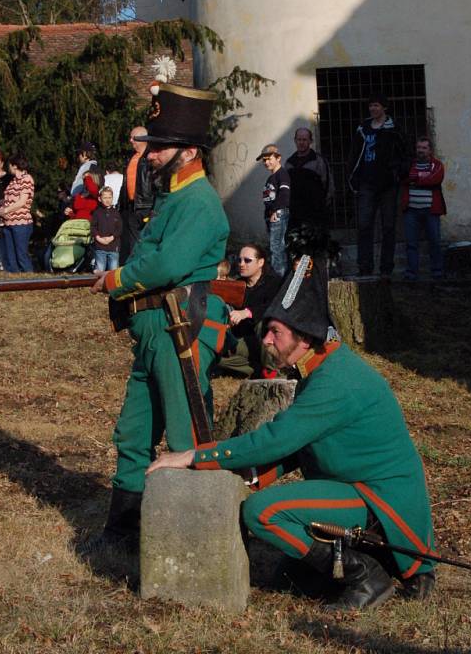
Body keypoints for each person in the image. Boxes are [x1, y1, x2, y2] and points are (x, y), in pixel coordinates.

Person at [147, 250, 435, 611]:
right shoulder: (323, 368)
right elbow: (303, 448)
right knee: (289, 575)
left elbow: (276, 440)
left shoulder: (335, 381)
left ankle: (366, 577)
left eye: (275, 332)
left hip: (381, 504)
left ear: (306, 337)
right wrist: (251, 475)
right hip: (359, 490)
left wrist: (195, 456)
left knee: (264, 513)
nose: (266, 341)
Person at [86, 82, 230, 555]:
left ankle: (197, 539)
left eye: (159, 147)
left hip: (179, 328)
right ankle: (124, 531)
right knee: (133, 430)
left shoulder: (199, 202)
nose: (149, 154)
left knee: (187, 432)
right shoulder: (173, 196)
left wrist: (114, 280)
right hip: (153, 329)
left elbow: (165, 267)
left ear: (188, 152)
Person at [347, 95, 408, 278]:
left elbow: (405, 153)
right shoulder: (362, 129)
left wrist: (398, 173)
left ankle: (386, 269)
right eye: (370, 105)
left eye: (376, 105)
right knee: (364, 226)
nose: (372, 109)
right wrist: (353, 176)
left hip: (388, 185)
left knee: (388, 227)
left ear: (384, 107)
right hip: (367, 184)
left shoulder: (394, 128)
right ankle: (365, 267)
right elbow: (354, 154)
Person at [219, 244, 282, 378]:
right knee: (217, 358)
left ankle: (271, 371)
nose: (241, 264)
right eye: (239, 260)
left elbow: (273, 307)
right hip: (244, 341)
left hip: (268, 341)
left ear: (260, 262)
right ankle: (258, 370)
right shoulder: (236, 285)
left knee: (266, 322)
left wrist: (247, 312)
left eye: (247, 260)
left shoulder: (274, 283)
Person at [401, 137, 446, 280]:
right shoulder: (410, 164)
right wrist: (422, 177)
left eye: (424, 148)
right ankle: (411, 273)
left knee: (434, 241)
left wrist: (416, 179)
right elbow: (404, 179)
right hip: (411, 210)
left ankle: (437, 271)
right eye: (419, 147)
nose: (420, 150)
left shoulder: (437, 165)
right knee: (411, 243)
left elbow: (435, 179)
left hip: (431, 210)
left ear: (430, 150)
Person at [284, 128, 334, 231]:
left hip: (315, 215)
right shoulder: (289, 164)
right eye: (299, 139)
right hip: (295, 216)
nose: (301, 142)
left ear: (310, 141)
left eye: (304, 140)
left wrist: (323, 207)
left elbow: (328, 186)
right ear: (295, 140)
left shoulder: (319, 162)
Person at [119, 126, 154, 264]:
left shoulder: (151, 156)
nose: (130, 140)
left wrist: (153, 208)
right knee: (130, 243)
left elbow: (155, 183)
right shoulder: (131, 157)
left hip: (145, 205)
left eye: (133, 137)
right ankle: (129, 270)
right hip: (130, 207)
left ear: (142, 138)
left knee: (144, 242)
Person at [0, 153, 35, 273]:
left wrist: (6, 210)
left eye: (9, 165)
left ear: (14, 166)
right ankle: (15, 283)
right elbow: (7, 200)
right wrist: (0, 209)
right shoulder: (13, 181)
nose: (8, 168)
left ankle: (30, 282)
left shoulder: (27, 179)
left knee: (21, 256)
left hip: (21, 223)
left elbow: (22, 202)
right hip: (8, 223)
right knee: (11, 258)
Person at [257, 144, 290, 277]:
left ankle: (279, 280)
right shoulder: (272, 177)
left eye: (269, 158)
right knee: (275, 247)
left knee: (276, 248)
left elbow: (284, 195)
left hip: (278, 215)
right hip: (271, 216)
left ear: (278, 158)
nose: (266, 162)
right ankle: (278, 277)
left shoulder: (282, 174)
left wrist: (275, 211)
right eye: (264, 160)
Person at [90, 186, 122, 272]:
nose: (107, 200)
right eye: (105, 198)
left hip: (113, 246)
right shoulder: (97, 213)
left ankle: (112, 286)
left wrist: (112, 237)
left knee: (113, 271)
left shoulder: (116, 213)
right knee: (100, 270)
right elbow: (93, 227)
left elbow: (119, 228)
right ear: (100, 199)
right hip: (100, 247)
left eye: (109, 197)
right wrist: (98, 238)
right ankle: (99, 284)